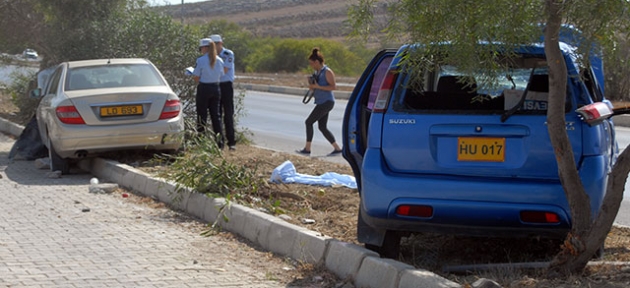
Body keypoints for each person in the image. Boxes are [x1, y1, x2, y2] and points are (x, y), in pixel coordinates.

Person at [296, 48, 342, 156]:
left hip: (326, 102)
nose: (311, 65)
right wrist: (312, 86)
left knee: (309, 122)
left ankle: (307, 149)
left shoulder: (327, 71)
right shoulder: (317, 72)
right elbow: (315, 88)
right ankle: (337, 148)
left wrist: (318, 86)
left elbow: (333, 87)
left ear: (316, 62)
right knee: (322, 127)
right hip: (321, 102)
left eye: (312, 63)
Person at [191, 38, 225, 148]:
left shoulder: (201, 60)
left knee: (202, 116)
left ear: (205, 48)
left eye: (201, 48)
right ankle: (220, 142)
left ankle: (200, 141)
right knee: (216, 116)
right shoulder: (219, 60)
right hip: (216, 88)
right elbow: (221, 75)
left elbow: (196, 77)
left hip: (204, 88)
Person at [210, 34, 237, 151]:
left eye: (215, 44)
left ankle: (231, 142)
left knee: (228, 113)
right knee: (217, 114)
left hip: (225, 85)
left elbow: (224, 70)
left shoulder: (227, 54)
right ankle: (219, 142)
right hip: (215, 85)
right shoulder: (209, 56)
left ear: (220, 44)